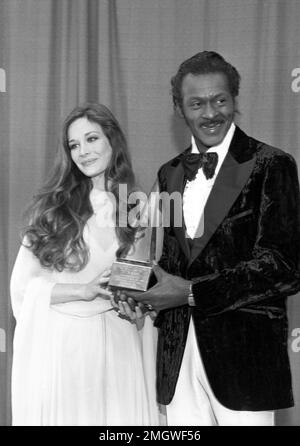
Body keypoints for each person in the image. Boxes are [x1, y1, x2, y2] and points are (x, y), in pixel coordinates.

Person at [125, 51, 300, 426]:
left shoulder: (272, 164)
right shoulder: (169, 173)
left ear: (235, 101)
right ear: (179, 109)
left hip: (245, 362)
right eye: (197, 103)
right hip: (177, 354)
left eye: (220, 100)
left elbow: (283, 267)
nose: (210, 113)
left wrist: (191, 293)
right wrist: (134, 291)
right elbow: (170, 261)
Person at [10, 102, 160, 426]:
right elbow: (23, 289)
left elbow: (136, 280)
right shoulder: (51, 208)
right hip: (64, 348)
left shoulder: (138, 206)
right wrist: (84, 290)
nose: (83, 152)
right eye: (74, 145)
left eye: (91, 139)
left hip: (119, 346)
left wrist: (140, 302)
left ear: (112, 140)